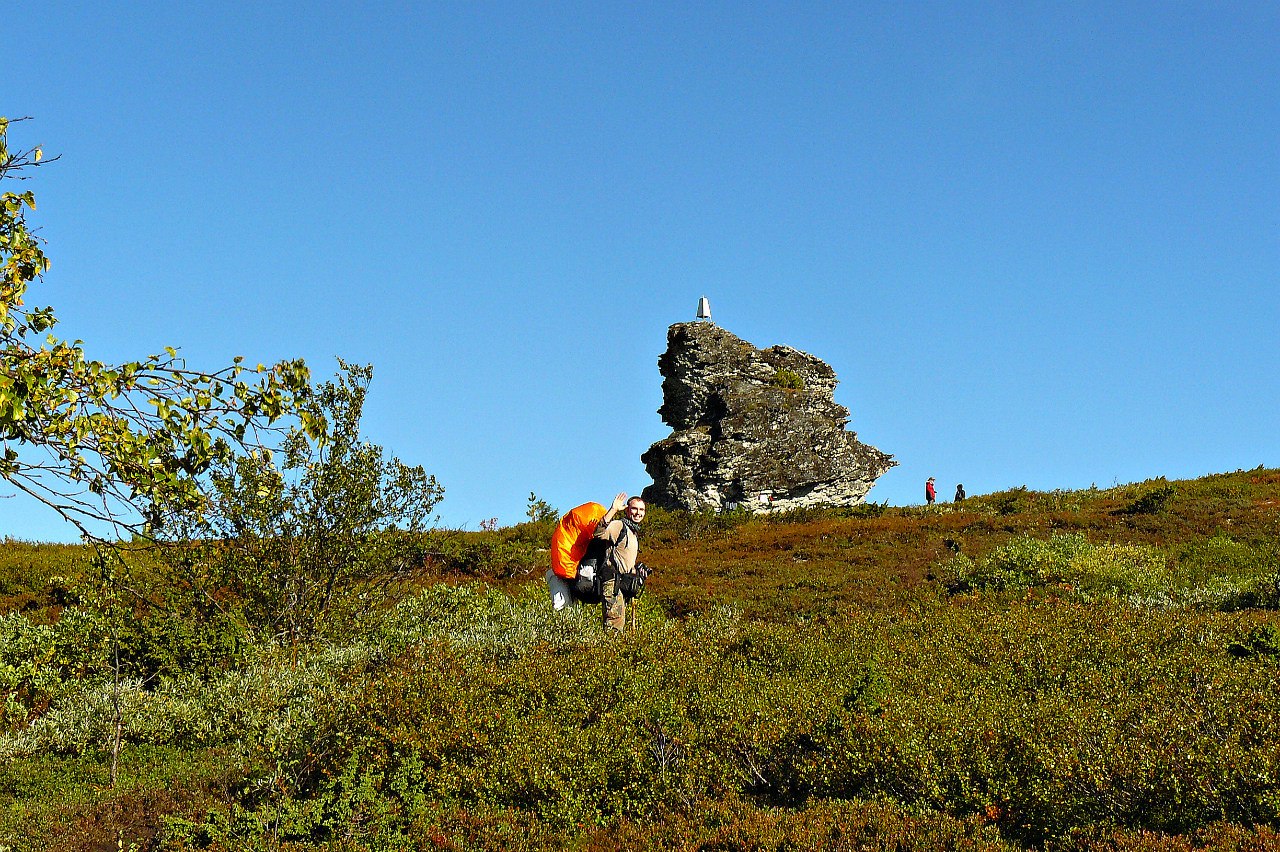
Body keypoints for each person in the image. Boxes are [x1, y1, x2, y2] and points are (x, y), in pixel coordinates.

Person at [594, 491, 646, 631]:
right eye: (634, 509)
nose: (638, 513)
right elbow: (599, 533)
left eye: (641, 510)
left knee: (619, 625)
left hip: (622, 584)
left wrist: (636, 572)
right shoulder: (619, 526)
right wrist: (613, 510)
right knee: (614, 626)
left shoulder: (632, 531)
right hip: (612, 582)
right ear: (627, 510)